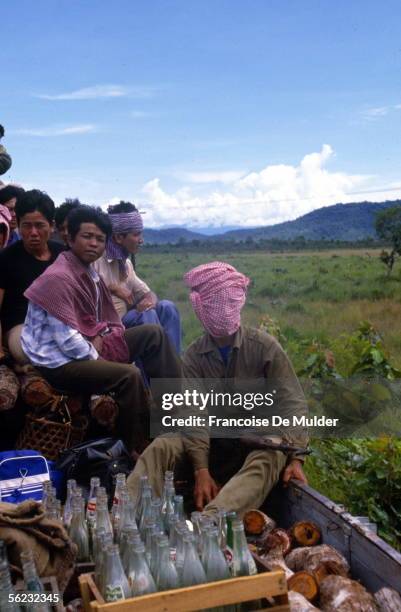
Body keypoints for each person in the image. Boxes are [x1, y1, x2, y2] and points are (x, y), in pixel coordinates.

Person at [127, 261, 309, 517]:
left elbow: (293, 405)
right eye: (215, 303)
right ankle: (124, 513)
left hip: (256, 442)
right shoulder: (194, 357)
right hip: (209, 442)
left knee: (270, 454)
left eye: (228, 302)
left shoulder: (264, 348)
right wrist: (201, 470)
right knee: (162, 446)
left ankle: (210, 523)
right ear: (200, 306)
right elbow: (193, 414)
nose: (222, 310)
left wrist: (297, 458)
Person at [21, 205, 182, 454]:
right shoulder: (58, 278)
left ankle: (174, 411)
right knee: (129, 375)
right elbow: (68, 344)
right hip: (58, 362)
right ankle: (133, 446)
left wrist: (101, 338)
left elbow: (98, 321)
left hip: (87, 343)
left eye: (99, 239)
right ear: (70, 238)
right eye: (87, 236)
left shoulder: (87, 272)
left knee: (154, 334)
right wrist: (100, 354)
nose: (93, 243)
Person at [94, 201, 182, 353]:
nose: (141, 240)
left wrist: (149, 301)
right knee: (146, 316)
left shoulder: (126, 264)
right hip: (111, 328)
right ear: (118, 237)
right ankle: (157, 369)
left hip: (129, 321)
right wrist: (112, 288)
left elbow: (147, 292)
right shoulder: (96, 261)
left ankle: (173, 362)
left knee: (167, 307)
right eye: (136, 234)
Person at [0, 190, 64, 363]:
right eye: (27, 226)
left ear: (51, 225)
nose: (33, 232)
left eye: (39, 225)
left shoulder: (63, 255)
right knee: (25, 350)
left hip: (61, 323)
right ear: (19, 225)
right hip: (21, 327)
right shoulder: (6, 258)